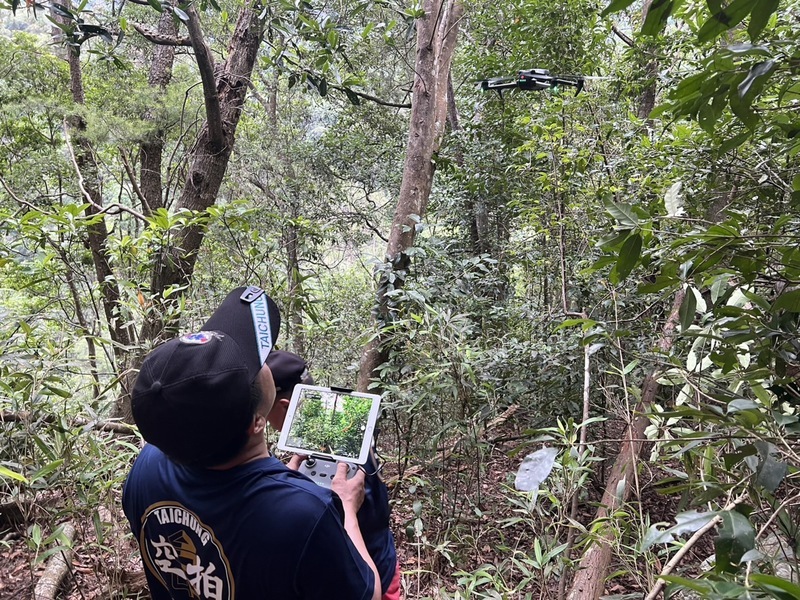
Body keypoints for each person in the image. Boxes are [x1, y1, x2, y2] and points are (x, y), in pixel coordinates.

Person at [122, 286, 380, 600]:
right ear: (257, 421)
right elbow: (369, 594)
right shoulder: (306, 515)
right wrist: (347, 509)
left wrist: (279, 487)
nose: (267, 361)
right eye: (256, 365)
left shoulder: (145, 469)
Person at [264, 350, 402, 600]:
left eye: (264, 407)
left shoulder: (340, 459)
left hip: (370, 577)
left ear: (285, 407)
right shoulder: (340, 433)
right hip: (380, 562)